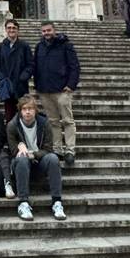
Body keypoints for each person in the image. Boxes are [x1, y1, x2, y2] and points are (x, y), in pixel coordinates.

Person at [7, 96, 66, 222]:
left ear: (35, 110)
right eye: (24, 109)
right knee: (22, 159)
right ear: (20, 111)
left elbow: (48, 149)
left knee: (53, 158)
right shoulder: (12, 125)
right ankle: (23, 202)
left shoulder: (44, 123)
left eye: (30, 109)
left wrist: (33, 154)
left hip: (39, 162)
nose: (27, 112)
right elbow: (12, 151)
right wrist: (20, 147)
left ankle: (57, 202)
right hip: (21, 165)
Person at [33, 21, 80, 167]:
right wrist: (37, 85)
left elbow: (74, 66)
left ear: (54, 30)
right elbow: (35, 67)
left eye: (48, 30)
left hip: (62, 90)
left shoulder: (65, 45)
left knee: (67, 120)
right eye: (44, 31)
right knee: (53, 121)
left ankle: (70, 150)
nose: (46, 33)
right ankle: (58, 149)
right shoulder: (39, 47)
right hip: (45, 90)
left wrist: (71, 85)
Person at [0, 19, 33, 123]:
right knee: (9, 115)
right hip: (7, 86)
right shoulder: (0, 47)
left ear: (18, 30)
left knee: (24, 115)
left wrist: (23, 76)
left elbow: (30, 64)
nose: (11, 30)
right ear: (5, 30)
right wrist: (1, 78)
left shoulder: (24, 46)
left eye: (14, 28)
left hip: (21, 86)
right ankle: (11, 138)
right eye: (9, 28)